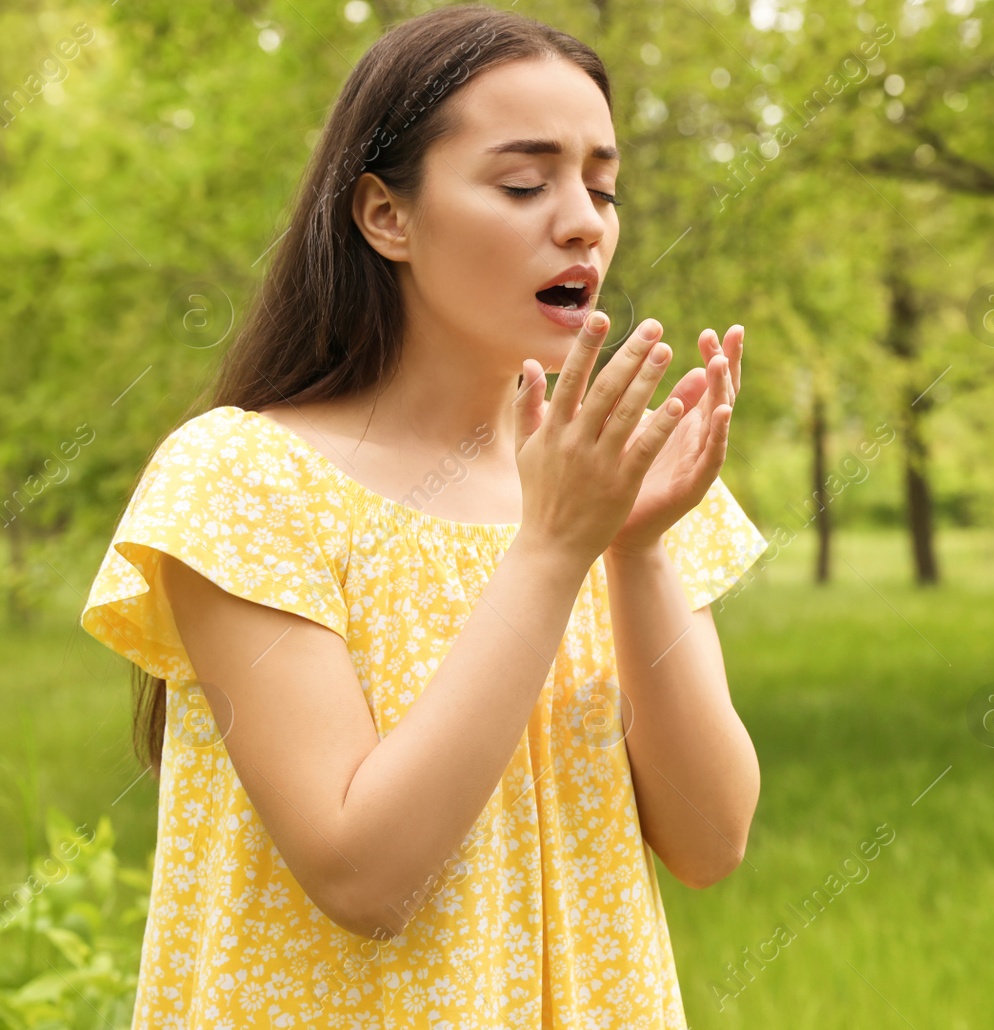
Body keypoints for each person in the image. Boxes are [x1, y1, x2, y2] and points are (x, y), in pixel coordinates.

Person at [78, 6, 768, 1026]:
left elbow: (711, 842)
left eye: (602, 185)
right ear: (384, 216)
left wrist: (636, 549)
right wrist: (554, 547)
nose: (583, 219)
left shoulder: (608, 472)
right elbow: (365, 876)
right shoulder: (241, 479)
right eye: (525, 182)